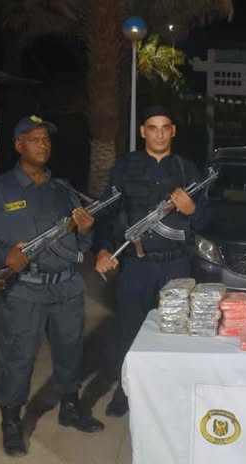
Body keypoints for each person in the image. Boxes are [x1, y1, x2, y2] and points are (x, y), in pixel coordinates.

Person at [0, 115, 104, 457]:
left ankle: (70, 407)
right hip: (25, 290)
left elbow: (80, 246)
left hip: (66, 287)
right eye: (35, 138)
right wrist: (3, 255)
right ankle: (11, 422)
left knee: (70, 351)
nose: (43, 144)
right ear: (18, 145)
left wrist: (86, 231)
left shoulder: (64, 190)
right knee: (17, 356)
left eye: (47, 139)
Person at [94, 105, 209, 418]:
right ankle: (125, 392)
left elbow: (207, 219)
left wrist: (191, 210)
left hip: (176, 267)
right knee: (128, 332)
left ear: (173, 131)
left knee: (174, 332)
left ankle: (170, 393)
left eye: (165, 127)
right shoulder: (124, 168)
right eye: (153, 128)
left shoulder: (187, 170)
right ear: (142, 131)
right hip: (136, 266)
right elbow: (107, 212)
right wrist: (103, 249)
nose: (159, 134)